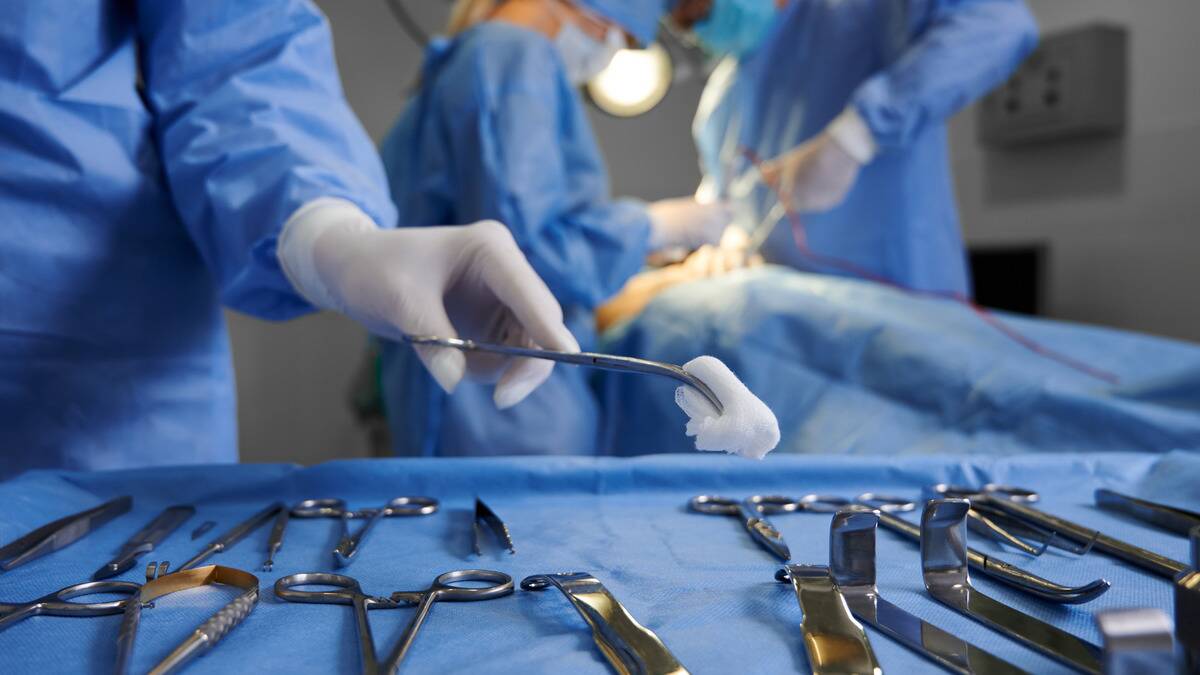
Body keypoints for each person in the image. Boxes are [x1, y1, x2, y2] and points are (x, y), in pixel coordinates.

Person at [0, 0, 575, 478]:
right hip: (75, 346)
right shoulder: (509, 61)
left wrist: (330, 238)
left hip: (70, 374)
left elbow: (239, 56)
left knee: (123, 594)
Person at [378, 0, 731, 456]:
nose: (611, 51)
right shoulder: (511, 58)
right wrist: (650, 227)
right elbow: (522, 251)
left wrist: (639, 247)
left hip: (467, 391)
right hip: (509, 404)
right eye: (622, 38)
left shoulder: (473, 56)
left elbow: (496, 217)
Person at [671, 0, 1038, 295]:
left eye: (698, 5)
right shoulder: (720, 103)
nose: (698, 22)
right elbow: (721, 207)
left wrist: (854, 137)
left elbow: (999, 24)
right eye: (685, 20)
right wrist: (724, 240)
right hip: (782, 327)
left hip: (901, 306)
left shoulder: (867, 15)